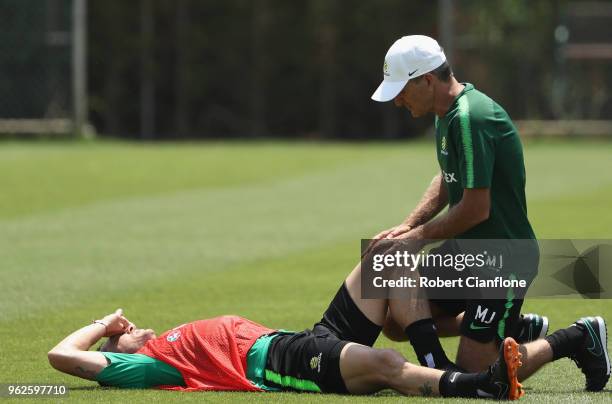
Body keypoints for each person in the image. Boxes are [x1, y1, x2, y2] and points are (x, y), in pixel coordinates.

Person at [48, 261, 609, 397]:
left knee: (387, 260)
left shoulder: (165, 338)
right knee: (387, 368)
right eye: (123, 333)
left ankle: (484, 324)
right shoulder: (151, 365)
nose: (131, 327)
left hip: (300, 338)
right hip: (278, 365)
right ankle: (478, 381)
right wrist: (101, 328)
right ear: (121, 353)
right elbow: (61, 359)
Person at [369, 35, 545, 372]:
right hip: (467, 252)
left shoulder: (470, 117)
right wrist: (408, 224)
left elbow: (477, 208)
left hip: (502, 260)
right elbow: (449, 177)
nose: (397, 101)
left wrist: (416, 238)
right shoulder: (445, 112)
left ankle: (578, 338)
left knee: (477, 374)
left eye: (402, 90)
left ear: (427, 80)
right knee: (396, 316)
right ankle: (514, 328)